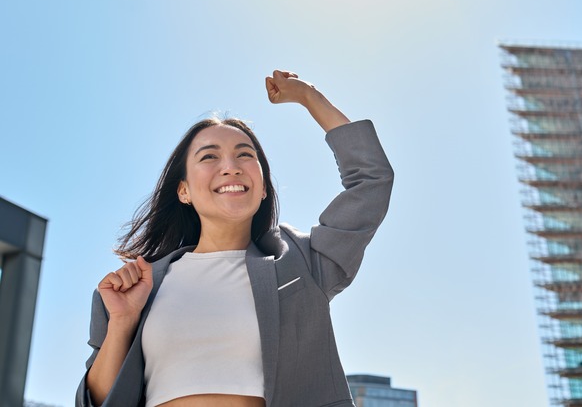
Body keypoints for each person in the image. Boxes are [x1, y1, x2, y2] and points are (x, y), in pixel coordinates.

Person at [76, 70, 394, 407]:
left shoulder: (301, 262)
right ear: (183, 190)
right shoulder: (137, 287)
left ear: (262, 189)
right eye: (209, 156)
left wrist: (308, 96)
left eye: (245, 154)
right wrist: (123, 321)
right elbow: (96, 401)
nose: (231, 166)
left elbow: (371, 181)